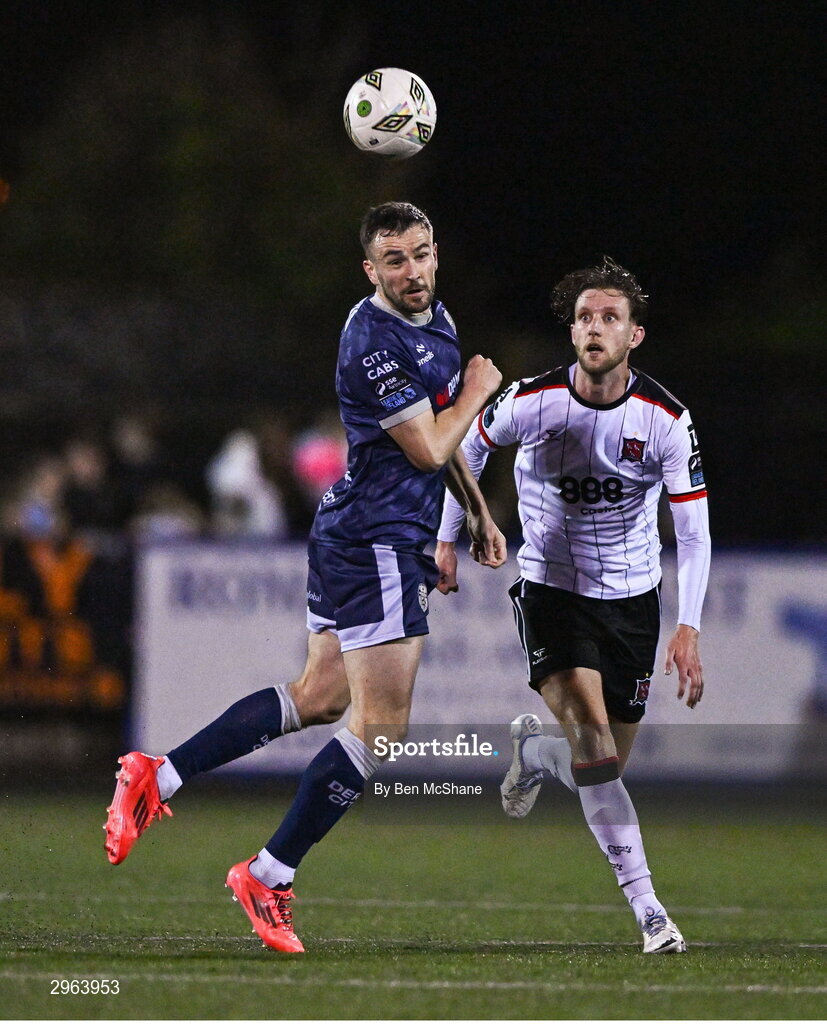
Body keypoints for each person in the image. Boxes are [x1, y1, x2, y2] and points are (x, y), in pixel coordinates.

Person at [103, 202, 505, 952]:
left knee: (319, 698)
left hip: (372, 532)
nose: (411, 271)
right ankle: (269, 873)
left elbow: (441, 447)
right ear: (370, 269)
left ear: (435, 252)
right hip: (375, 540)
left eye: (420, 254)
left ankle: (158, 776)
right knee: (381, 731)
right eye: (394, 260)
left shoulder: (438, 324)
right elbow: (425, 446)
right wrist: (480, 392)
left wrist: (474, 515)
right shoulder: (372, 340)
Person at [436, 257, 710, 955]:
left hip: (632, 602)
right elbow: (462, 446)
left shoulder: (667, 420)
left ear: (633, 336)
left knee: (601, 764)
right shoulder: (531, 400)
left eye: (608, 318)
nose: (593, 327)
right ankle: (650, 911)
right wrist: (446, 536)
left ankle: (533, 752)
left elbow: (695, 531)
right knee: (590, 734)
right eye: (584, 317)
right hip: (551, 589)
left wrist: (688, 625)